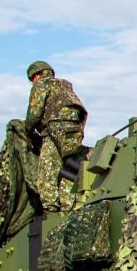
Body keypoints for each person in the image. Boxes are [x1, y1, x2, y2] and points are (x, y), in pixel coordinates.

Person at [24, 61, 88, 212]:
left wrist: (28, 130)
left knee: (47, 170)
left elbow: (34, 113)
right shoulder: (65, 85)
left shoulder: (41, 84)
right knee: (69, 165)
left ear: (36, 75)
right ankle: (71, 204)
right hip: (74, 128)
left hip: (54, 127)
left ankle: (50, 207)